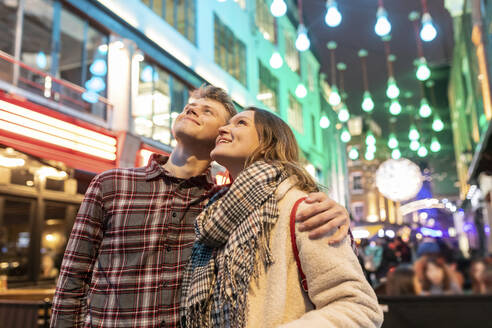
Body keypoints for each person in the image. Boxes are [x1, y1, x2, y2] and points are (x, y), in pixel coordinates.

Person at [50, 86, 351, 328]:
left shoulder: (225, 204)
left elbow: (282, 199)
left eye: (208, 111)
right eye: (189, 106)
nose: (191, 108)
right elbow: (73, 277)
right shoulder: (112, 184)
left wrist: (334, 212)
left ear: (224, 134)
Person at [180, 107, 383, 328]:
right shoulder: (215, 213)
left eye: (240, 123)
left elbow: (359, 308)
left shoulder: (305, 209)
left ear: (269, 142)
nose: (223, 129)